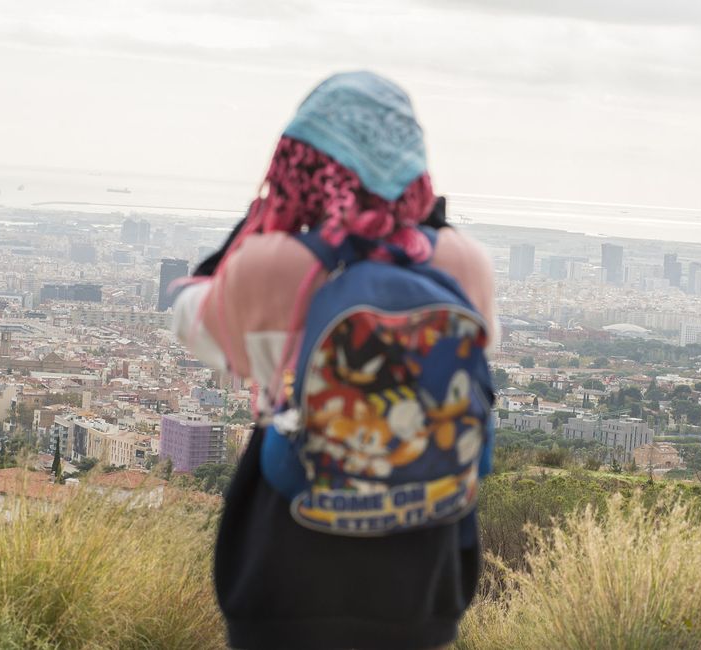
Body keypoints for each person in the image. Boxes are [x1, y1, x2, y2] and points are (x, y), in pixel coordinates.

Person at [169, 71, 495, 650]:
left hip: (290, 550)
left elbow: (191, 321)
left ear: (299, 163)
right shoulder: (463, 263)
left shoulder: (270, 266)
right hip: (424, 564)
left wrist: (252, 230)